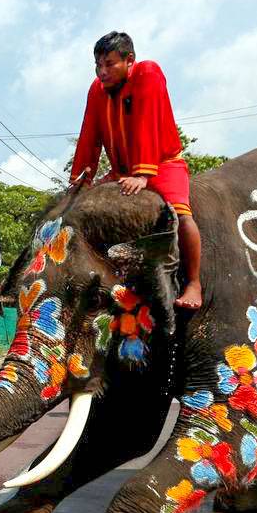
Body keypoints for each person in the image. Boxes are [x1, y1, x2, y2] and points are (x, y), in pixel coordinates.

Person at [69, 31, 204, 309]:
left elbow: (146, 121)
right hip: (122, 172)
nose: (102, 72)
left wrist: (143, 174)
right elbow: (89, 133)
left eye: (109, 64)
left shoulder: (148, 73)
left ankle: (193, 282)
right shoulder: (97, 89)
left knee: (181, 214)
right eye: (98, 65)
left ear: (129, 60)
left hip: (162, 164)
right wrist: (83, 177)